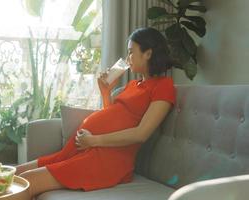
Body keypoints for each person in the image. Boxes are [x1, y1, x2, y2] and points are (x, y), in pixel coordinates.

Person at [16, 27, 176, 199]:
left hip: (108, 159)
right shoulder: (133, 85)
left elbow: (140, 134)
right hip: (88, 149)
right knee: (16, 173)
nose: (128, 58)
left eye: (131, 52)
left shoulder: (164, 85)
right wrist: (106, 92)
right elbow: (113, 116)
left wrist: (94, 140)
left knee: (25, 182)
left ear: (148, 53)